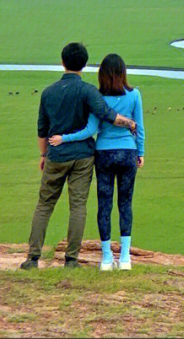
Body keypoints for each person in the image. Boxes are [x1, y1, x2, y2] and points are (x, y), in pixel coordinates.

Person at [22, 42, 136, 270]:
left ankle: (32, 258)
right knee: (78, 206)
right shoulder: (88, 91)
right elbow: (107, 115)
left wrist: (44, 154)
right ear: (84, 65)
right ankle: (71, 259)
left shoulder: (48, 93)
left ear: (63, 62)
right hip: (83, 157)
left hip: (56, 154)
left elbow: (42, 130)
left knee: (44, 205)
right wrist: (130, 123)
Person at [49, 53, 145, 271]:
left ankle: (106, 258)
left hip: (103, 154)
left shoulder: (97, 97)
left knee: (104, 204)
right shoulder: (135, 94)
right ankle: (126, 259)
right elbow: (139, 127)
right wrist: (141, 151)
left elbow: (90, 130)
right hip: (128, 152)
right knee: (125, 203)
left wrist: (65, 138)